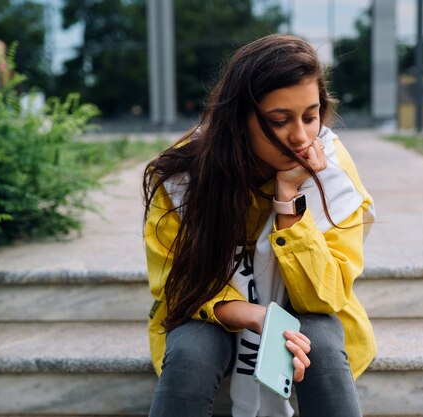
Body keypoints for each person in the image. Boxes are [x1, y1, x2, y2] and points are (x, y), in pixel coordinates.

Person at [143, 34, 376, 417]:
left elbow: (325, 297)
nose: (301, 137)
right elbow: (178, 285)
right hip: (210, 310)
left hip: (305, 308)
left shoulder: (331, 170)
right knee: (191, 350)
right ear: (238, 121)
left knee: (318, 334)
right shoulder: (184, 177)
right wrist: (255, 315)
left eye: (311, 116)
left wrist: (289, 200)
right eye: (278, 120)